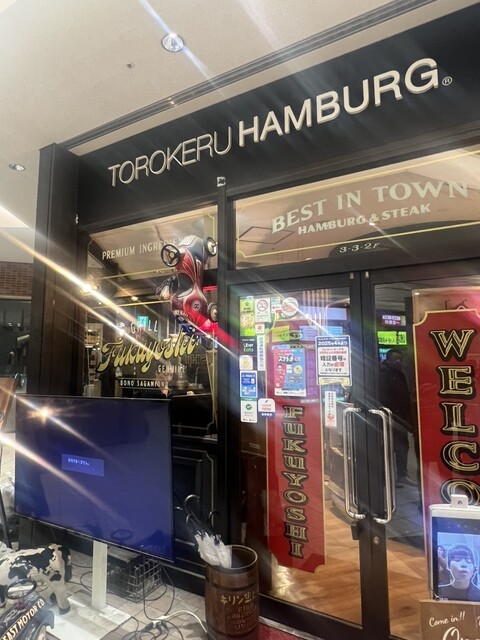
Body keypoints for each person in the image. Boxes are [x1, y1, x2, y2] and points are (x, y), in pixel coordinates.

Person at [378, 348, 415, 487]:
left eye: (400, 359)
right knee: (387, 448)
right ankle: (385, 477)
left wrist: (409, 420)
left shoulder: (400, 374)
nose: (398, 362)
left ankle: (402, 475)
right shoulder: (382, 374)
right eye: (395, 359)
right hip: (387, 417)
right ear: (388, 360)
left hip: (400, 418)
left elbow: (405, 396)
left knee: (402, 447)